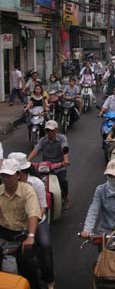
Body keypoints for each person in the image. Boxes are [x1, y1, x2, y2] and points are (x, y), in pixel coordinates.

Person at [8, 153, 55, 289]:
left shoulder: (36, 183)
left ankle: (49, 278)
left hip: (37, 221)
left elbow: (42, 207)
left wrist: (31, 226)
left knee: (45, 244)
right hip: (15, 224)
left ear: (20, 173)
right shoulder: (6, 186)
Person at [0, 158, 41, 288]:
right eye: (3, 175)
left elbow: (33, 213)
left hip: (23, 235)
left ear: (18, 175)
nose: (6, 179)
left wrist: (30, 237)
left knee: (28, 266)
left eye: (9, 175)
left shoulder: (27, 190)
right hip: (3, 234)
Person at [27, 120, 71, 209]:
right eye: (47, 130)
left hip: (59, 166)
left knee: (63, 181)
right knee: (34, 180)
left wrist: (65, 161)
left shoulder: (62, 138)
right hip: (45, 167)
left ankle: (66, 199)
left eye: (51, 130)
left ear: (56, 130)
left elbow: (64, 149)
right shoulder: (43, 140)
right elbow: (35, 152)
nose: (49, 132)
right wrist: (27, 161)